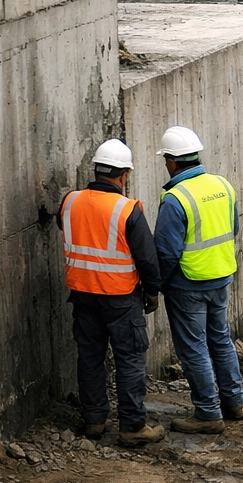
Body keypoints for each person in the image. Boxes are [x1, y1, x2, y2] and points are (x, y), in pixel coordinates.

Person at [59, 140, 165, 447]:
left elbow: (64, 226)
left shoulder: (70, 201)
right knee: (129, 358)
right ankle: (132, 426)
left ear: (96, 169)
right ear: (123, 176)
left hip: (83, 295)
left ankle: (94, 420)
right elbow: (147, 258)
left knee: (90, 357)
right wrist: (153, 291)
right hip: (120, 298)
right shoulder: (126, 209)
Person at [155, 126, 243, 434]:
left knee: (194, 347)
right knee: (220, 338)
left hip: (188, 283)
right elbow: (233, 227)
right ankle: (234, 401)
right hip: (220, 275)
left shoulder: (174, 198)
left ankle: (208, 412)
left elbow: (166, 253)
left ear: (172, 161)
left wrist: (157, 285)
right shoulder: (223, 185)